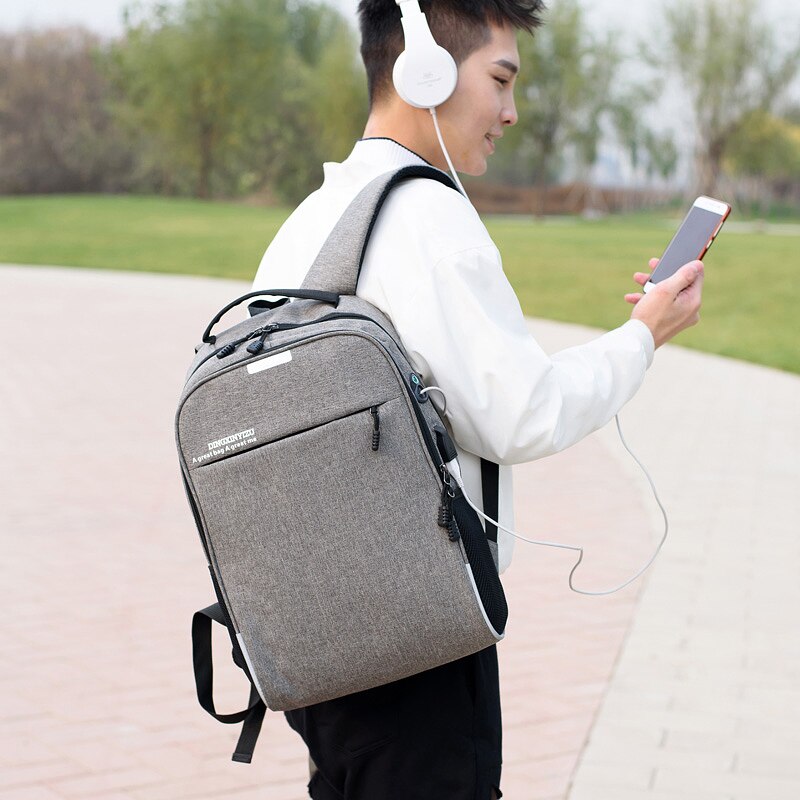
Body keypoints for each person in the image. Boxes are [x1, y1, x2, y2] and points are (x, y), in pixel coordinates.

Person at [251, 1, 704, 797]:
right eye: (500, 78)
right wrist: (644, 334)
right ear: (424, 70)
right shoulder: (427, 213)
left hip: (317, 639)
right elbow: (524, 413)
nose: (510, 111)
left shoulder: (316, 214)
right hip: (417, 644)